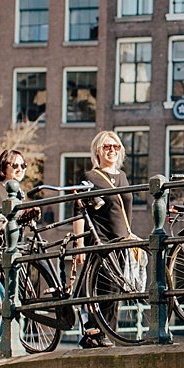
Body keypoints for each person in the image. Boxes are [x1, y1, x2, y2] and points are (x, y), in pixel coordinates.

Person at [73, 131, 137, 348]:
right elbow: (79, 212)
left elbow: (126, 210)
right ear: (98, 151)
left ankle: (108, 333)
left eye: (116, 147)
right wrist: (79, 245)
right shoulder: (90, 177)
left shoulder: (122, 177)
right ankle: (95, 333)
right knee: (104, 287)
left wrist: (129, 237)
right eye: (107, 146)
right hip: (100, 239)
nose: (112, 150)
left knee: (117, 288)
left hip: (121, 240)